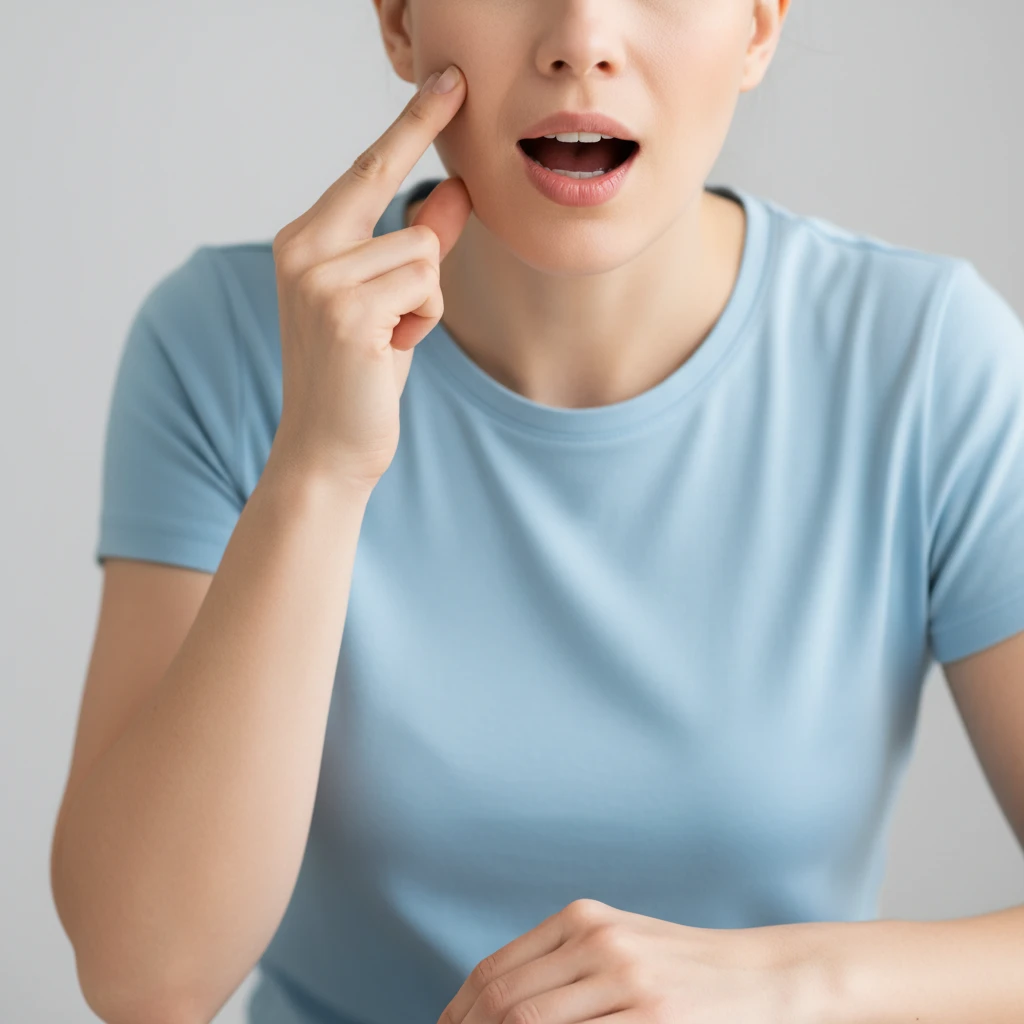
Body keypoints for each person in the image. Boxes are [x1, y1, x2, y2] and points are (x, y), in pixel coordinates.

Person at [50, 1, 1024, 1023]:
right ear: (399, 20)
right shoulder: (224, 342)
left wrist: (785, 984)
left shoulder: (927, 361)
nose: (581, 39)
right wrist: (319, 468)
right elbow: (144, 978)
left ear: (758, 26)